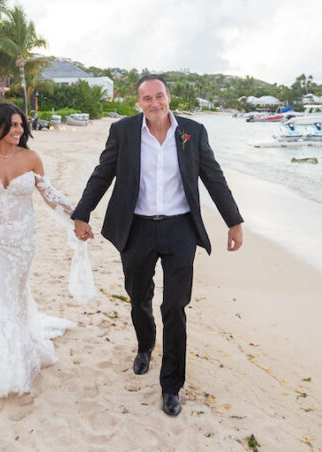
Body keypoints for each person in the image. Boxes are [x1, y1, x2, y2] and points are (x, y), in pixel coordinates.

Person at [71, 75, 244, 417]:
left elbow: (213, 176)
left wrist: (233, 221)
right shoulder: (123, 132)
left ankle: (170, 386)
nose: (154, 103)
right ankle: (146, 345)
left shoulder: (192, 131)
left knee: (175, 306)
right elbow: (102, 174)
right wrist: (82, 213)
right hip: (136, 228)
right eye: (146, 98)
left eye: (159, 96)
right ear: (139, 102)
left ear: (169, 97)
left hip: (180, 228)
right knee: (138, 298)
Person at [0, 102, 80, 398]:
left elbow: (49, 194)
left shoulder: (31, 158)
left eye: (21, 125)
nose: (19, 130)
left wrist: (77, 215)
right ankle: (1, 367)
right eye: (13, 124)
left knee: (14, 298)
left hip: (22, 241)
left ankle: (17, 356)